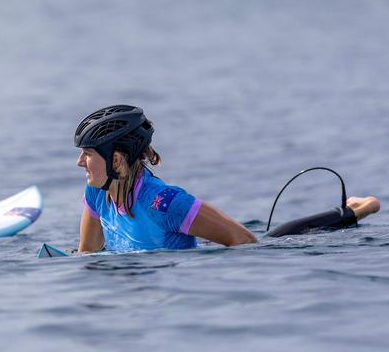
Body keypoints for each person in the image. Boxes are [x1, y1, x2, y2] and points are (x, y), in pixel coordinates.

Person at [74, 105, 380, 253]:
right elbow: (87, 253)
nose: (79, 162)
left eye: (88, 153)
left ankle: (358, 208)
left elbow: (244, 241)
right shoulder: (96, 194)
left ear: (116, 160)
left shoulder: (164, 203)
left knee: (275, 238)